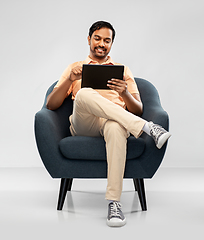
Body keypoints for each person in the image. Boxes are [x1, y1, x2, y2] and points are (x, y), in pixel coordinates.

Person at [46, 21, 171, 227]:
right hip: (84, 124)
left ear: (111, 44)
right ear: (89, 40)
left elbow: (137, 109)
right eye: (97, 38)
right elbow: (51, 105)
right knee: (85, 92)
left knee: (115, 125)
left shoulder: (123, 71)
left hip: (114, 122)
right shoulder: (74, 68)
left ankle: (114, 204)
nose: (102, 44)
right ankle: (147, 128)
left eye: (107, 40)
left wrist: (125, 93)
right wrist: (70, 80)